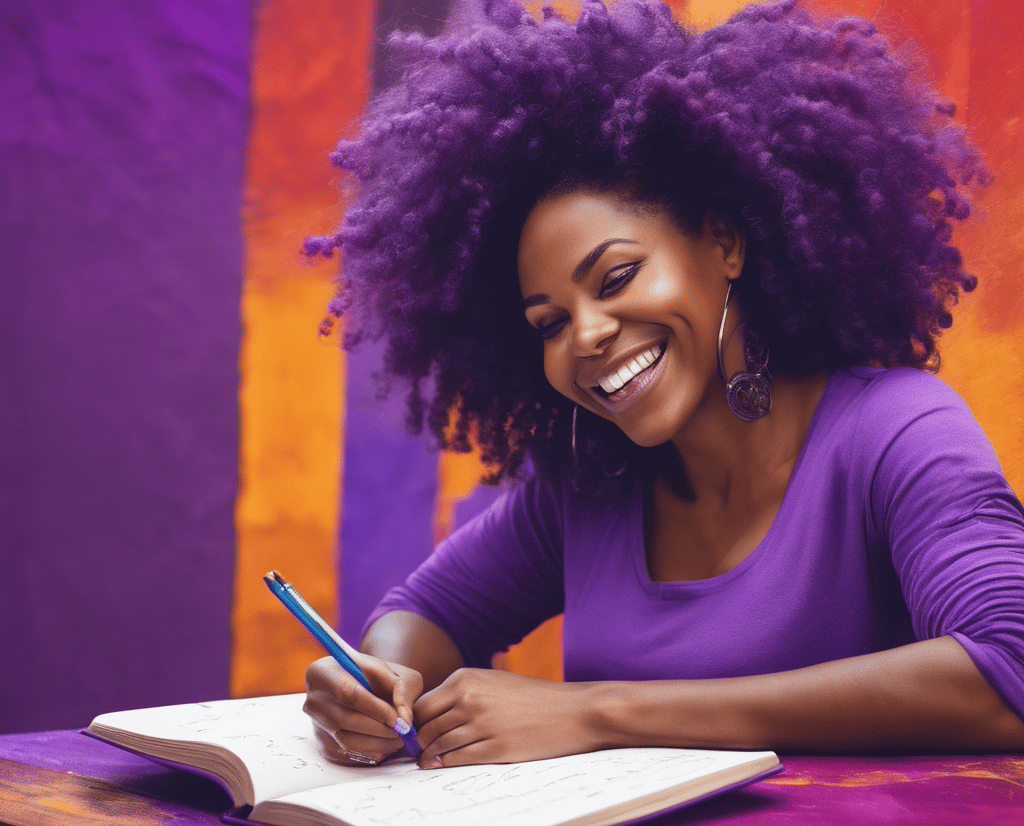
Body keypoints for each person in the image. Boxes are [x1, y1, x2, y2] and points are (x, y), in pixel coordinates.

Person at [301, 0, 1024, 769]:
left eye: (616, 277)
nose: (585, 336)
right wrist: (379, 683)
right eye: (548, 322)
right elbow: (424, 614)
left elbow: (1007, 671)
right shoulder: (588, 489)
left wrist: (599, 712)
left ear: (725, 243)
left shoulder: (895, 432)